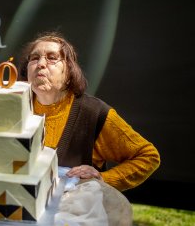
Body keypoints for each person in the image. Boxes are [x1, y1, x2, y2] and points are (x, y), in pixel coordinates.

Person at [18, 31, 160, 192]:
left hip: (74, 212)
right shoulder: (14, 106)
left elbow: (148, 157)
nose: (41, 64)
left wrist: (103, 179)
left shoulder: (94, 114)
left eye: (52, 58)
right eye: (34, 58)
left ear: (70, 71)